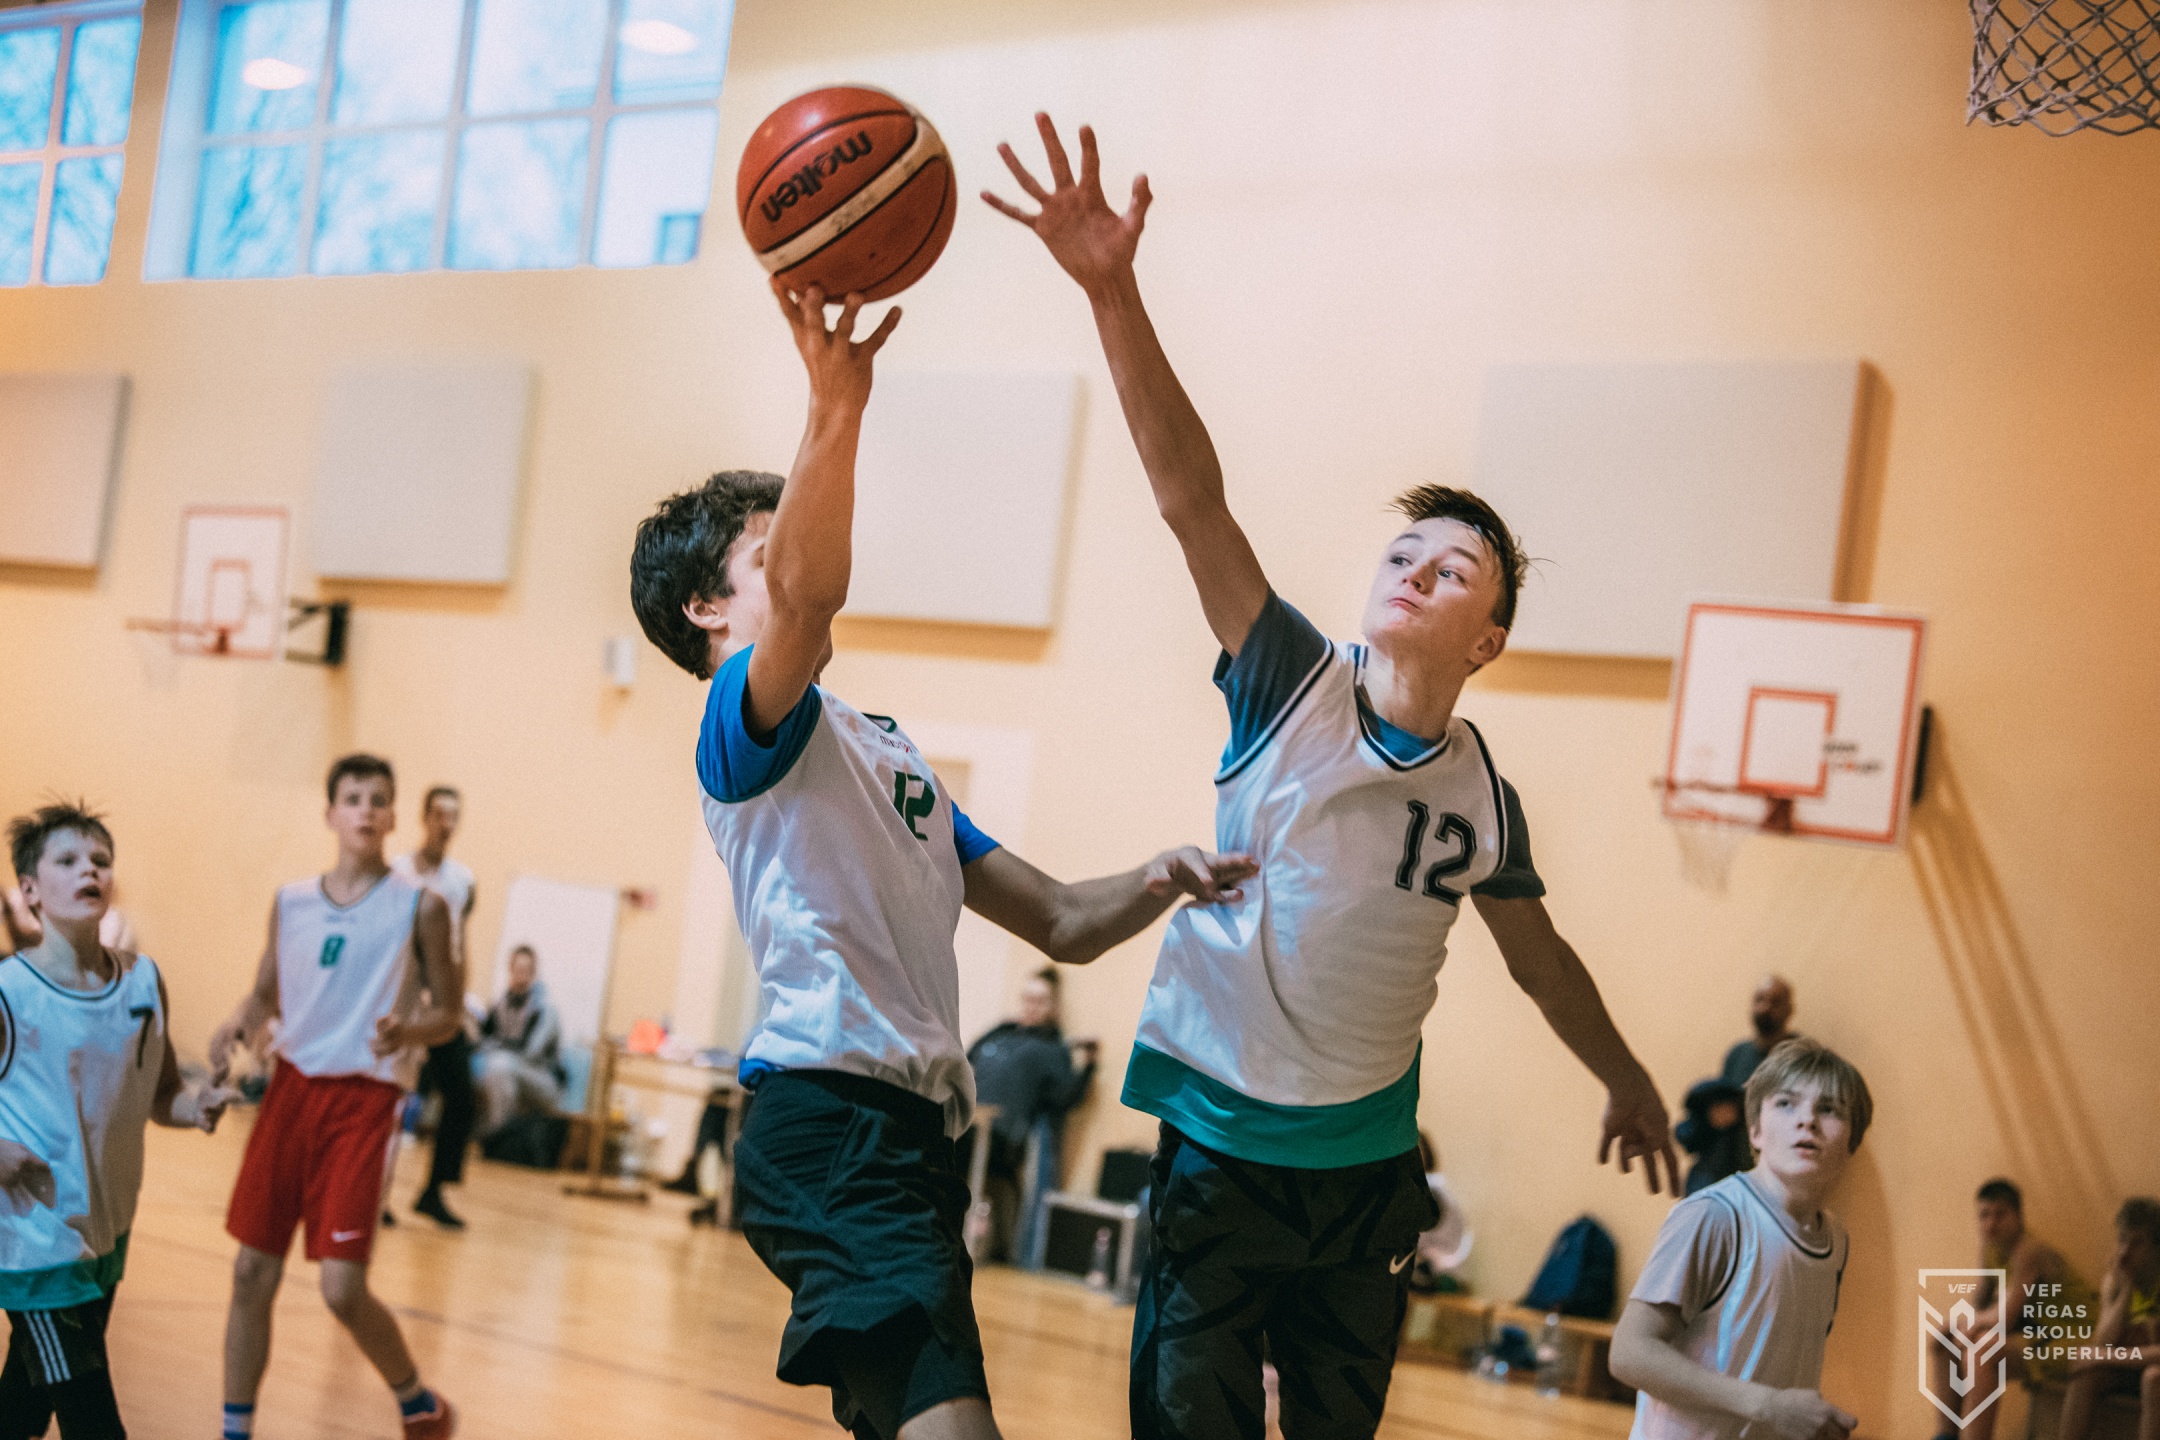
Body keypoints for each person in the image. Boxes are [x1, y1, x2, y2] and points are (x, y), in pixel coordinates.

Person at [986, 114, 1680, 1440]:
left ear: (1487, 642)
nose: (1416, 567)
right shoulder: (1289, 679)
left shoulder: (1483, 797)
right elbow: (1192, 499)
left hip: (1365, 1169)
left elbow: (1542, 965)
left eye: (1452, 567)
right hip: (1220, 1140)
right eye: (1401, 553)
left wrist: (1627, 1075)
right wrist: (1112, 290)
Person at [628, 278, 1256, 1440]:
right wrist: (835, 406)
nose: (793, 556)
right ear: (709, 613)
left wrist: (1160, 878)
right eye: (765, 549)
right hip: (828, 1123)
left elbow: (1061, 920)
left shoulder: (885, 753)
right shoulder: (741, 721)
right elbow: (807, 604)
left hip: (919, 1146)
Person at [207, 754, 464, 1440]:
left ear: (393, 815)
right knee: (250, 1271)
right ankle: (236, 1430)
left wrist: (411, 1030)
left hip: (364, 1100)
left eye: (379, 799)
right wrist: (236, 1024)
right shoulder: (291, 901)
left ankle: (416, 1400)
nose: (366, 810)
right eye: (353, 798)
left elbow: (450, 1016)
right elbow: (264, 994)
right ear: (330, 813)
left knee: (341, 1289)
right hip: (289, 1091)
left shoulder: (421, 906)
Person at [0, 804, 234, 1440]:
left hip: (107, 1233)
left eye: (101, 860)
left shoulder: (143, 982)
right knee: (94, 1424)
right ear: (30, 890)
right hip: (35, 1243)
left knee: (22, 1408)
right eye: (69, 860)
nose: (90, 871)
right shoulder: (10, 992)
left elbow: (164, 1093)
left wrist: (196, 1106)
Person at [1609, 1038, 1871, 1440]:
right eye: (1786, 1103)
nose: (1807, 1120)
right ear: (1755, 1130)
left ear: (1852, 1143)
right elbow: (1629, 1353)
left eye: (1830, 1109)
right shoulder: (1714, 1215)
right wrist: (1768, 1405)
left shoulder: (1835, 1240)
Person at [1925, 1177, 2097, 1440]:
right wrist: (1957, 1327)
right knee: (1943, 1341)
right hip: (2037, 1332)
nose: (1991, 1224)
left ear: (2018, 1216)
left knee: (1982, 1350)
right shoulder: (1991, 1248)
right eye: (1984, 1215)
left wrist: (1965, 1322)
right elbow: (1979, 1303)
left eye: (2000, 1214)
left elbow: (2005, 1317)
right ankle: (1945, 1436)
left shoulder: (2029, 1251)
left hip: (2075, 1336)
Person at [964, 968, 1098, 1261]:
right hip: (969, 1123)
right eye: (1027, 999)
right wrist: (1003, 1025)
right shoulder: (1002, 1033)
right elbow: (968, 1056)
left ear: (1053, 1006)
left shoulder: (1052, 1049)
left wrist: (1089, 1065)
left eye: (1039, 1001)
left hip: (1003, 1138)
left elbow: (1065, 1099)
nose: (1030, 1007)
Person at [392, 785, 479, 1230]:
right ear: (424, 817)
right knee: (394, 1092)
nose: (446, 824)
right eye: (439, 815)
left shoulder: (462, 881)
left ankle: (434, 1191)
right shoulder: (398, 872)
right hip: (404, 999)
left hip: (441, 1004)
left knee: (461, 1096)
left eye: (453, 817)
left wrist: (459, 1004)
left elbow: (459, 945)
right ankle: (376, 1190)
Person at [2058, 1196, 2160, 1440]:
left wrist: (2104, 1356)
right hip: (2128, 1366)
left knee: (2153, 1378)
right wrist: (2126, 1291)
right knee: (2085, 1374)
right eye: (2123, 1240)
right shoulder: (2115, 1280)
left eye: (2137, 1243)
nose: (2125, 1252)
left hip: (2149, 1371)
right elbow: (2102, 1342)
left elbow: (2103, 1353)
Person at [475, 946, 561, 1136]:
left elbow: (531, 1052)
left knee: (500, 1065)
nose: (521, 974)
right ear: (510, 969)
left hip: (543, 1079)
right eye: (518, 969)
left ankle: (498, 1135)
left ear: (533, 973)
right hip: (509, 1072)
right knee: (486, 1068)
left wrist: (496, 1045)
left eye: (526, 970)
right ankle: (492, 1134)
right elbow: (482, 1039)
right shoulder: (500, 1003)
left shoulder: (544, 1009)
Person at [1675, 1079, 1751, 1196]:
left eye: (1726, 1107)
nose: (1723, 1114)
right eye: (1718, 1109)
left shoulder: (1744, 1135)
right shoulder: (1704, 1136)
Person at [1719, 976, 1796, 1089]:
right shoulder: (1736, 1055)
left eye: (1775, 1002)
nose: (1765, 1008)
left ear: (1789, 1010)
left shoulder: (1805, 1055)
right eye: (1760, 999)